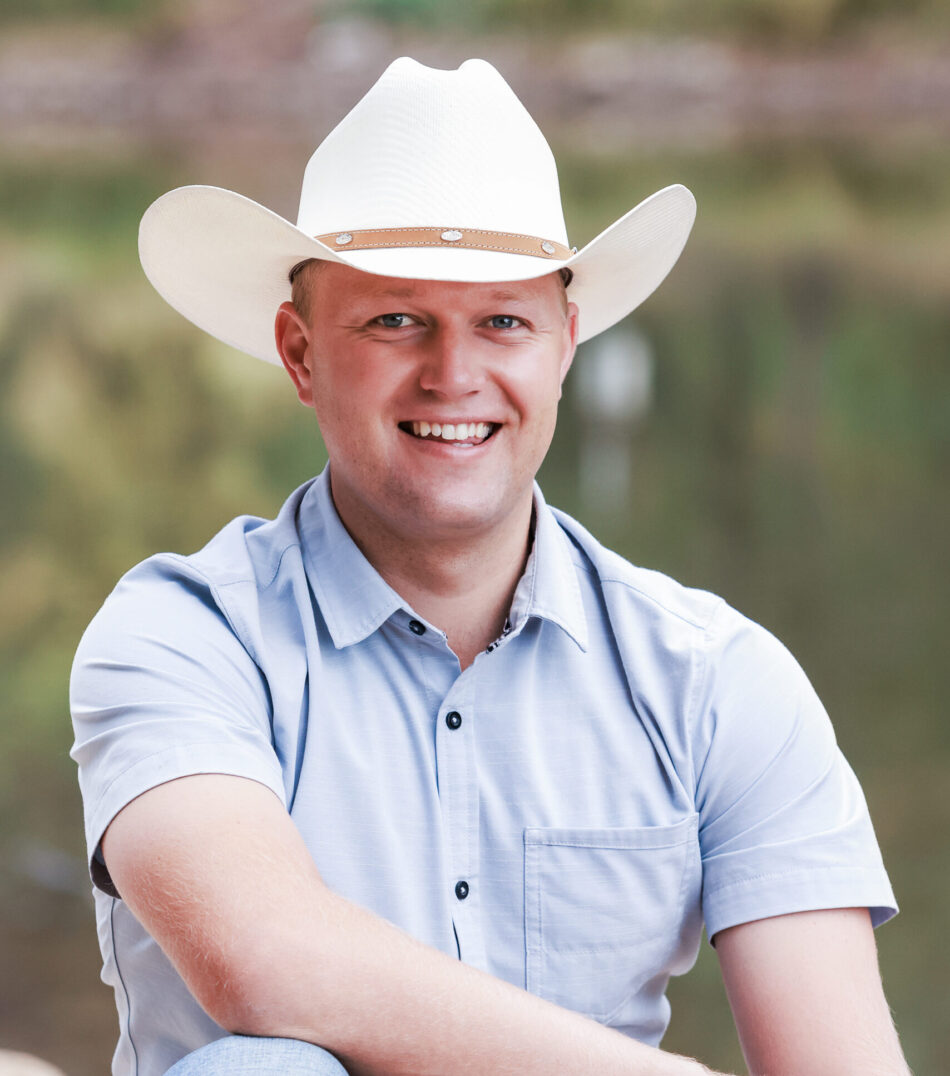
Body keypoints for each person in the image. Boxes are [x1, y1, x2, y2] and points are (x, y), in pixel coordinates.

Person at [70, 58, 909, 1076]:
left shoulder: (716, 681)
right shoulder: (182, 636)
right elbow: (263, 959)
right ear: (298, 353)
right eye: (394, 319)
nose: (453, 374)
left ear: (564, 345)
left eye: (502, 321)